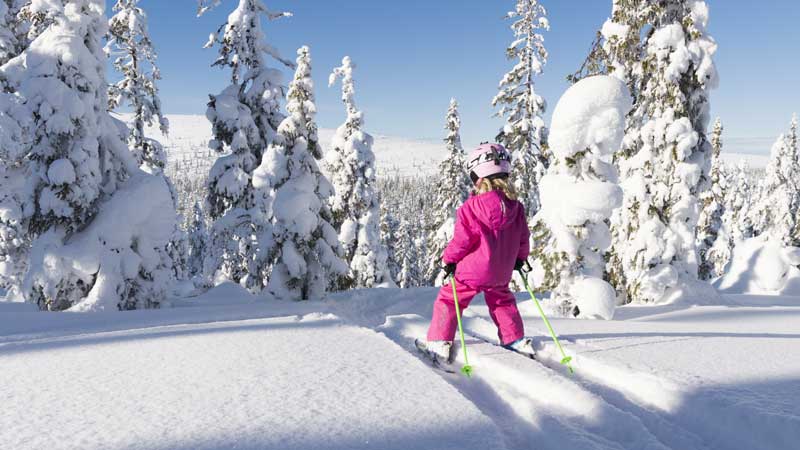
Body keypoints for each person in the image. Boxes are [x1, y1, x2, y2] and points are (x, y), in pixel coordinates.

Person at [416, 143, 535, 364]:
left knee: (450, 299)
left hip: (473, 271)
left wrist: (449, 260)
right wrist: (520, 258)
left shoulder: (470, 208)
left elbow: (462, 241)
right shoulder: (516, 208)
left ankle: (439, 343)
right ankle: (515, 340)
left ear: (478, 178)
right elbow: (523, 238)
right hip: (502, 270)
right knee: (502, 301)